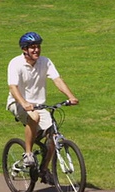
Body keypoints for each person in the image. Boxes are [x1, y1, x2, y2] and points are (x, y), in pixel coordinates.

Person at [6, 31, 79, 183]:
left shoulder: (45, 62)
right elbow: (13, 87)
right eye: (32, 47)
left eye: (38, 47)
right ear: (24, 49)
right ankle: (28, 154)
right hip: (17, 102)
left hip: (38, 105)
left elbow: (57, 79)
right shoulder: (15, 63)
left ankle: (44, 170)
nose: (36, 50)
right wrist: (24, 104)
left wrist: (70, 96)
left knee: (54, 136)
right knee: (34, 116)